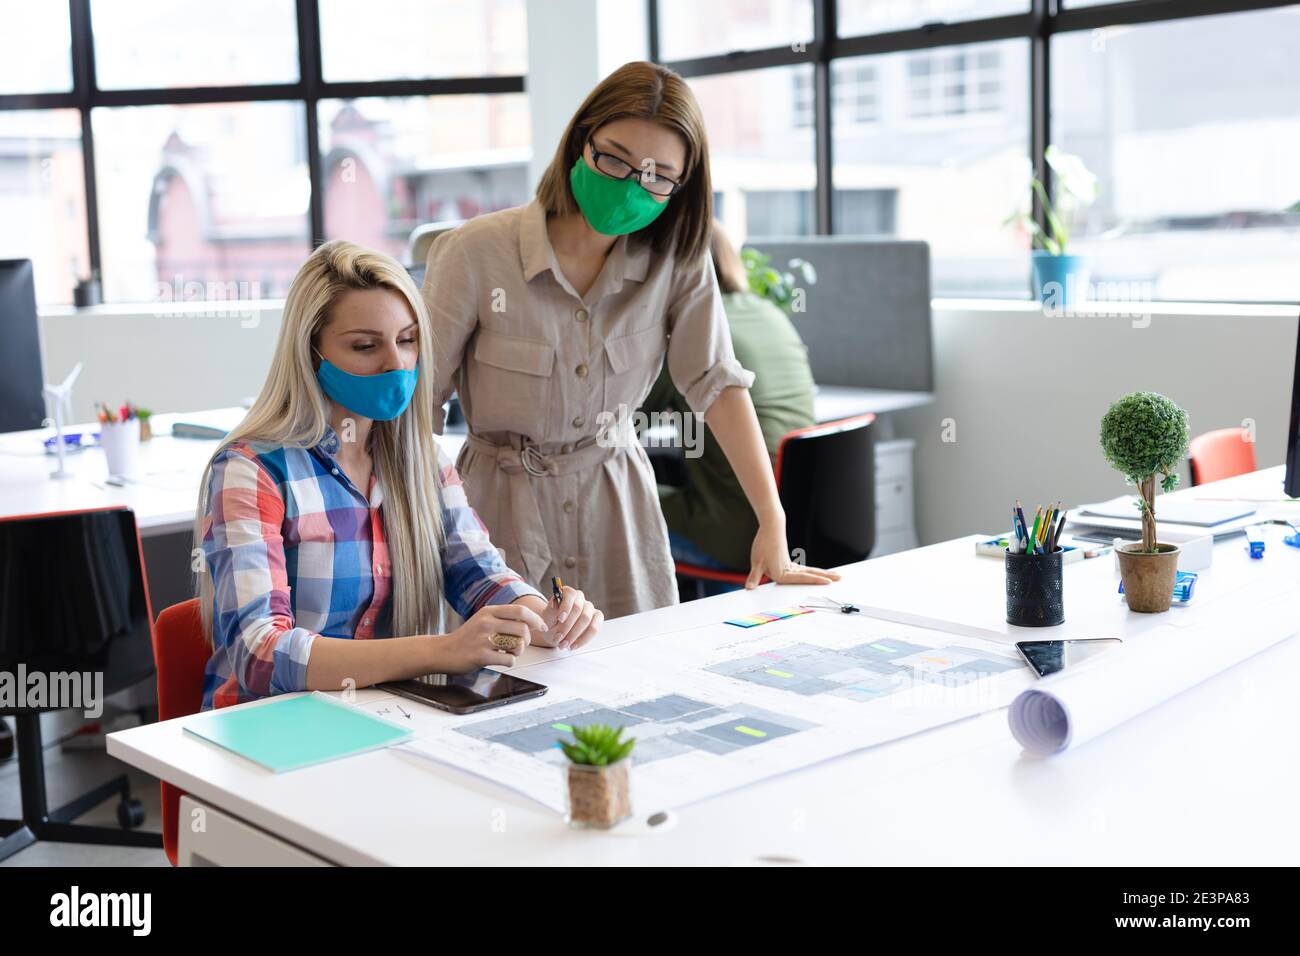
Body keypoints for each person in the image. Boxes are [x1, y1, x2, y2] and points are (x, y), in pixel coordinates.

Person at [421, 60, 839, 618]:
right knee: (501, 679)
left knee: (634, 684)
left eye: (657, 175)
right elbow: (419, 403)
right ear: (580, 141)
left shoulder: (677, 260)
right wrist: (413, 526)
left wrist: (772, 519)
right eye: (615, 158)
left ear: (679, 184)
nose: (630, 185)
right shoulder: (474, 252)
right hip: (494, 512)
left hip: (615, 511)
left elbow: (715, 381)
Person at [194, 241, 601, 710]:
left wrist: (543, 617)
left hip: (390, 714)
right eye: (366, 346)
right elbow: (260, 655)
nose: (396, 363)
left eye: (408, 340)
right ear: (311, 353)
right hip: (271, 728)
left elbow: (478, 573)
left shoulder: (423, 458)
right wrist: (443, 650)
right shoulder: (250, 470)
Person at [642, 222, 816, 586]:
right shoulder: (769, 313)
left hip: (740, 535)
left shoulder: (697, 332)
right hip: (800, 522)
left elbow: (618, 417)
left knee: (616, 503)